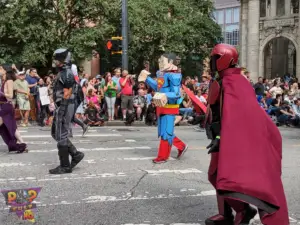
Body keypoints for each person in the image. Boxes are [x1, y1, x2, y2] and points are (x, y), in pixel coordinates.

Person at [204, 43, 288, 225]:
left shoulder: (234, 81)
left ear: (226, 59)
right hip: (221, 136)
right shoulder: (224, 80)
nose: (212, 62)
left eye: (215, 58)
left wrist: (220, 137)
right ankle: (229, 213)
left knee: (221, 176)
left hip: (228, 138)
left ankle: (242, 211)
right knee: (217, 175)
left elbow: (238, 113)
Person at [139, 53, 188, 163]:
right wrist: (147, 79)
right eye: (159, 61)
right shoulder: (162, 74)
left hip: (169, 106)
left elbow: (176, 93)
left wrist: (165, 95)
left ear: (170, 62)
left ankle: (162, 157)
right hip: (161, 105)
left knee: (166, 132)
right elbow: (158, 87)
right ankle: (181, 146)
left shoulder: (174, 76)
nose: (160, 63)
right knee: (164, 131)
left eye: (162, 61)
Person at [50, 49, 84, 174]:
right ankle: (75, 154)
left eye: (57, 59)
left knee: (61, 134)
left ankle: (65, 165)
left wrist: (61, 110)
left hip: (64, 105)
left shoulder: (66, 73)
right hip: (63, 106)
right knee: (56, 133)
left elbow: (67, 94)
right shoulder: (64, 72)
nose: (55, 61)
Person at [0, 66, 27, 153]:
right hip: (3, 107)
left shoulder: (9, 81)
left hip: (6, 107)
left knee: (11, 126)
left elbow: (10, 96)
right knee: (12, 127)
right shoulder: (4, 81)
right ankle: (22, 144)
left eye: (1, 69)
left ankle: (20, 144)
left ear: (5, 71)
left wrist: (1, 93)